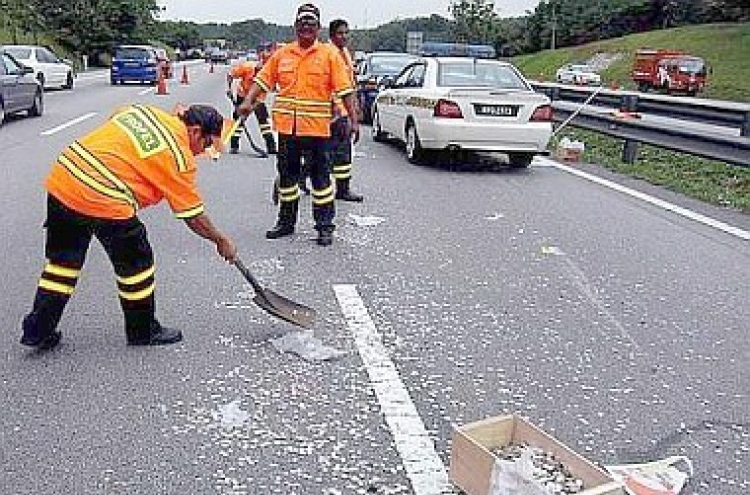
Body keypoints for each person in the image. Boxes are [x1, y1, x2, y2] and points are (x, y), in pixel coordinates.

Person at [20, 104, 238, 350]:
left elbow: (116, 120)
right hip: (104, 196)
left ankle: (38, 330)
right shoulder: (178, 157)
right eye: (207, 144)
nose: (204, 151)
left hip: (65, 178)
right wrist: (221, 240)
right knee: (137, 264)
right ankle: (142, 331)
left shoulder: (143, 111)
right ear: (196, 131)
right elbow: (193, 216)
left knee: (62, 265)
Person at [238, 3, 359, 247]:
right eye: (302, 23)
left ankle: (324, 228)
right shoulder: (282, 55)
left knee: (321, 181)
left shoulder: (329, 55)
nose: (306, 27)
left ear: (318, 28)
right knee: (287, 179)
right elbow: (262, 81)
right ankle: (286, 222)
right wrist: (248, 101)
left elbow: (345, 90)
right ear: (295, 27)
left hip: (317, 129)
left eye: (311, 23)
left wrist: (354, 120)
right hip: (287, 129)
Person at [327, 18, 363, 202]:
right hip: (334, 112)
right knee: (331, 152)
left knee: (342, 152)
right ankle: (297, 178)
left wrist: (355, 110)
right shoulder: (330, 53)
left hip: (344, 111)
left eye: (347, 33)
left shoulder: (345, 53)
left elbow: (350, 84)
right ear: (332, 35)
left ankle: (342, 188)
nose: (344, 36)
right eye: (340, 33)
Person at [226, 57, 277, 155]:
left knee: (263, 121)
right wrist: (229, 89)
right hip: (242, 95)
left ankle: (271, 147)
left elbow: (259, 100)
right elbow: (230, 75)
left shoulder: (267, 79)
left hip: (256, 98)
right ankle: (234, 146)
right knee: (238, 120)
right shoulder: (246, 67)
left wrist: (250, 108)